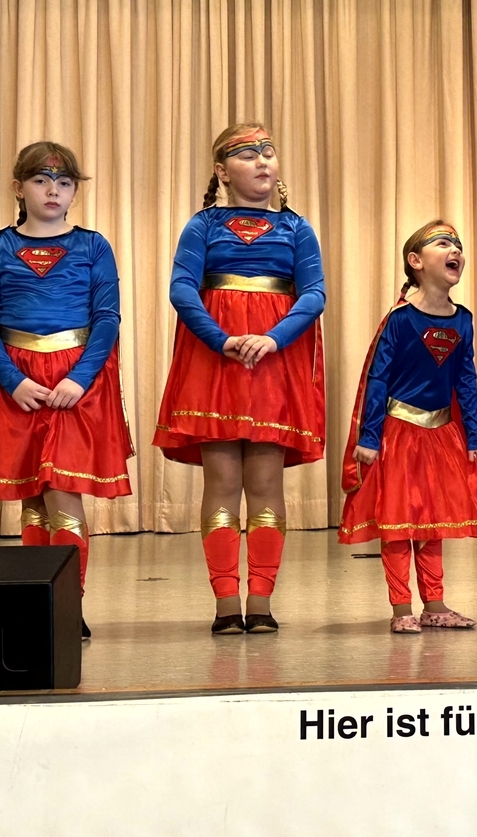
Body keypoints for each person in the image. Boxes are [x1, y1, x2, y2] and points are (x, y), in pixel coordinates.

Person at [154, 123, 326, 635]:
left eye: (268, 151)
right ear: (222, 171)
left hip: (273, 362)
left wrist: (273, 338)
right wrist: (220, 338)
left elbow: (313, 294)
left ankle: (262, 601)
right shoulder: (202, 226)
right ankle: (226, 602)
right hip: (216, 362)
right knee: (223, 481)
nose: (262, 161)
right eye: (248, 154)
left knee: (266, 482)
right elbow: (182, 289)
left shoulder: (297, 228)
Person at [0, 141, 133, 638]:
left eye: (63, 182)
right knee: (32, 498)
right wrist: (13, 382)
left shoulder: (93, 246)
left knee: (63, 493)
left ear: (75, 191)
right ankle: (40, 606)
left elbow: (107, 318)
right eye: (40, 180)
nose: (52, 190)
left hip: (75, 383)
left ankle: (66, 608)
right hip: (18, 383)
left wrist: (79, 378)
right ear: (19, 188)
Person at [339, 221, 477, 633]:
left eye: (458, 244)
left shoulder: (463, 320)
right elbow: (377, 378)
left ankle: (434, 604)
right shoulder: (400, 320)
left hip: (441, 433)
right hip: (398, 432)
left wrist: (474, 434)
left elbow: (465, 380)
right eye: (443, 243)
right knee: (398, 523)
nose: (455, 249)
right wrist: (370, 436)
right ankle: (401, 607)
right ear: (416, 261)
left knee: (433, 522)